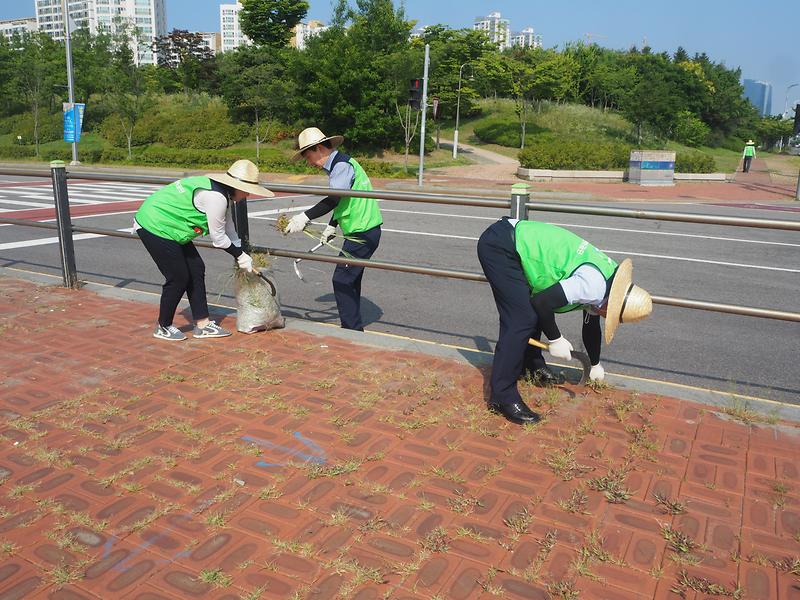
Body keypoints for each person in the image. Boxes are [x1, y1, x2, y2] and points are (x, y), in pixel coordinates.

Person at [477, 217, 652, 425]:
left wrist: (594, 364)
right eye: (611, 315)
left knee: (531, 313)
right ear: (611, 305)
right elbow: (542, 302)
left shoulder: (611, 282)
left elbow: (590, 325)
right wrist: (556, 338)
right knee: (520, 320)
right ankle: (502, 397)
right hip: (501, 245)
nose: (606, 317)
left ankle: (531, 365)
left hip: (516, 244)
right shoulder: (594, 285)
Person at [134, 159, 273, 341]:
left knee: (196, 269)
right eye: (246, 190)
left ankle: (202, 324)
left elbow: (228, 227)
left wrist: (242, 251)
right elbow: (218, 238)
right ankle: (164, 326)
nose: (247, 195)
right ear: (235, 186)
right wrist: (239, 256)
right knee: (178, 277)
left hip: (172, 227)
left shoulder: (222, 193)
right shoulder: (215, 197)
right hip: (154, 224)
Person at [285, 127, 383, 331]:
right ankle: (354, 328)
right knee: (350, 280)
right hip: (362, 230)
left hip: (362, 232)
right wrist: (331, 225)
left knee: (341, 280)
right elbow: (344, 199)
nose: (310, 163)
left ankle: (352, 331)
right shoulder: (341, 164)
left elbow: (334, 198)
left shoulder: (341, 166)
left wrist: (304, 217)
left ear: (319, 148)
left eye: (309, 157)